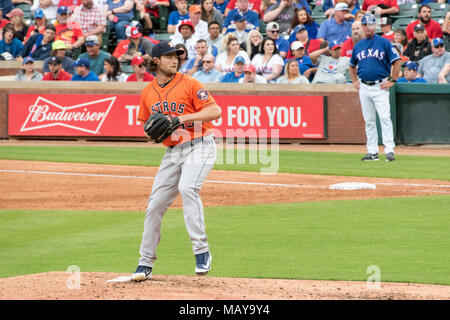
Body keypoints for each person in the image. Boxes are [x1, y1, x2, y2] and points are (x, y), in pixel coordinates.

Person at [131, 41, 221, 282]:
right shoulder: (147, 92)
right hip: (172, 152)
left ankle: (201, 251)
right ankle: (145, 262)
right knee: (154, 205)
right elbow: (147, 126)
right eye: (169, 56)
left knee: (187, 188)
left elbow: (214, 111)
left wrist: (180, 118)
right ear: (156, 61)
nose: (175, 60)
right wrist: (152, 134)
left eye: (178, 56)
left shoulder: (190, 83)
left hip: (201, 144)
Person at [349, 14, 401, 162]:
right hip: (364, 86)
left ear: (375, 25)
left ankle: (389, 150)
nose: (367, 27)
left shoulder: (384, 42)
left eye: (370, 24)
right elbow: (352, 65)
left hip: (380, 85)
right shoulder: (358, 45)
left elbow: (397, 61)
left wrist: (393, 79)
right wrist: (354, 80)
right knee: (369, 121)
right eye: (365, 24)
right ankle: (372, 152)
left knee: (385, 118)